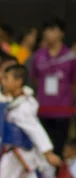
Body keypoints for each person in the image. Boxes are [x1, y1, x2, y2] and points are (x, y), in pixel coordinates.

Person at [30, 17, 76, 158]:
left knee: (60, 149)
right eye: (46, 30)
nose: (48, 34)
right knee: (42, 148)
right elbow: (35, 79)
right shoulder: (38, 56)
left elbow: (74, 82)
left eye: (53, 30)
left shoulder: (70, 56)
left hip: (63, 110)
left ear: (62, 33)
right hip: (43, 109)